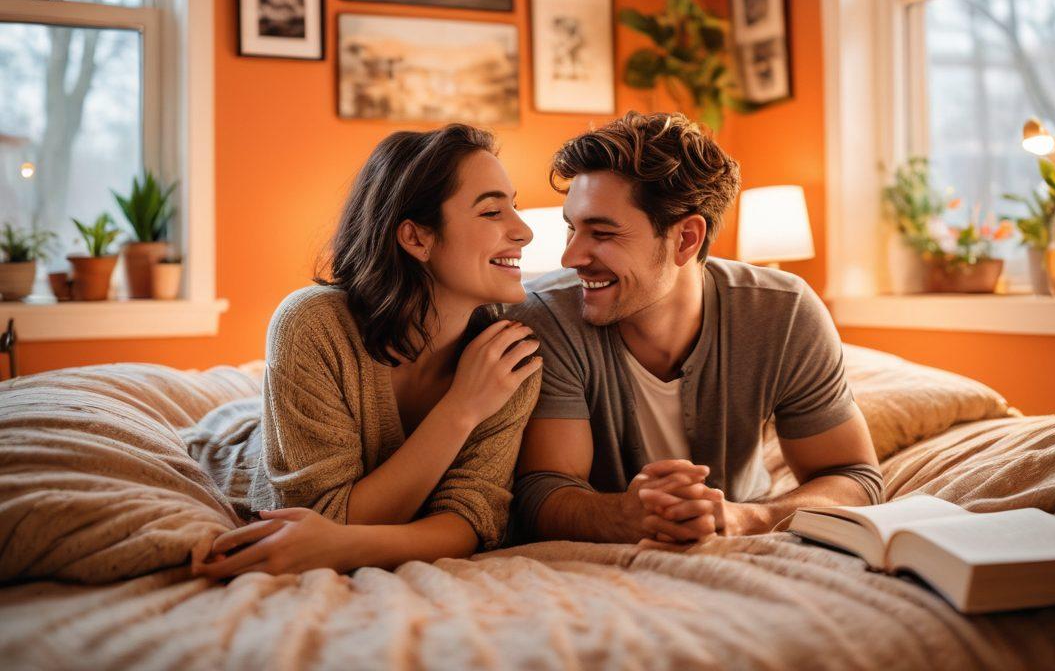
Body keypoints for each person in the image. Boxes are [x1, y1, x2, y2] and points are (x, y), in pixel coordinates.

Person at [509, 112, 882, 548]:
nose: (570, 257)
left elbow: (856, 478)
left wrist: (746, 518)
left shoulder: (783, 313)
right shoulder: (546, 318)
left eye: (602, 233)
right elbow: (541, 491)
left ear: (686, 239)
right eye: (572, 229)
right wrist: (624, 515)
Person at [183, 124, 542, 578]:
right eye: (492, 211)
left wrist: (344, 545)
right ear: (416, 239)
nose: (525, 231)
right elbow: (323, 517)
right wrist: (462, 409)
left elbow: (471, 520)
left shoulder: (510, 359)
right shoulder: (312, 323)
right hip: (232, 449)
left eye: (516, 206)